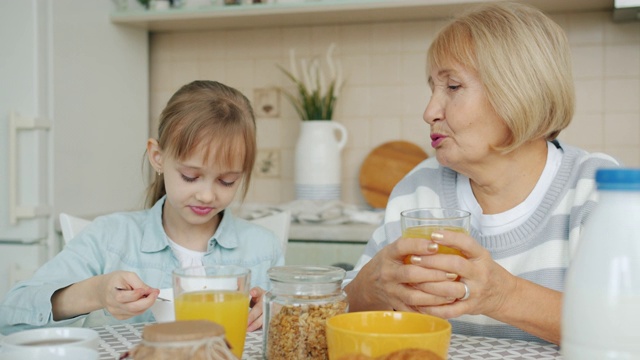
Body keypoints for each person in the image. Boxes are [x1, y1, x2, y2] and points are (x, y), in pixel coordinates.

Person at [343, 2, 620, 346]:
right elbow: (343, 309)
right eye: (432, 88)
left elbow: (626, 326)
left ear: (518, 91)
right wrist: (367, 289)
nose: (429, 111)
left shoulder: (599, 190)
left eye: (453, 87)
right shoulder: (419, 187)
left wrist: (502, 295)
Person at [0, 80, 284, 334]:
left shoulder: (262, 249)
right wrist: (96, 294)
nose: (207, 195)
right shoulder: (110, 239)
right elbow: (10, 315)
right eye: (190, 176)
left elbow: (296, 328)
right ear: (157, 157)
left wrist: (274, 314)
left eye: (226, 181)